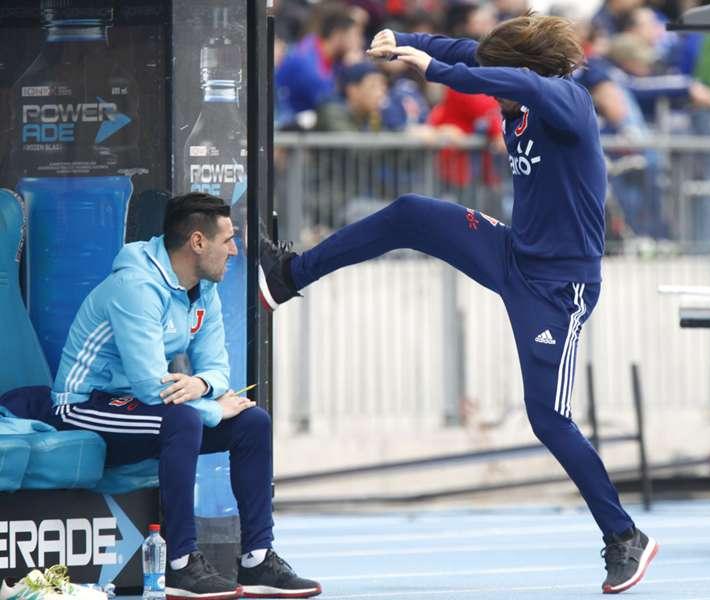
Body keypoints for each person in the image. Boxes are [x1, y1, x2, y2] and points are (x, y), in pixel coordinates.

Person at [258, 12, 658, 595]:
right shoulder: (511, 76)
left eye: (498, 76)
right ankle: (289, 275)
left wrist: (437, 71)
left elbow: (501, 79)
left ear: (524, 71)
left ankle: (625, 538)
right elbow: (464, 51)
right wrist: (405, 43)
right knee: (412, 213)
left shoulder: (567, 100)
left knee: (548, 418)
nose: (491, 87)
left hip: (559, 290)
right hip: (514, 254)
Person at [42, 193, 321, 599]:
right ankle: (180, 563)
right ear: (197, 242)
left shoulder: (202, 288)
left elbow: (216, 369)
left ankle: (258, 558)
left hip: (147, 406)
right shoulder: (135, 286)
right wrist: (209, 406)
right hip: (83, 405)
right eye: (227, 239)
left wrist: (202, 386)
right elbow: (150, 386)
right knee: (185, 419)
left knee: (252, 422)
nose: (234, 249)